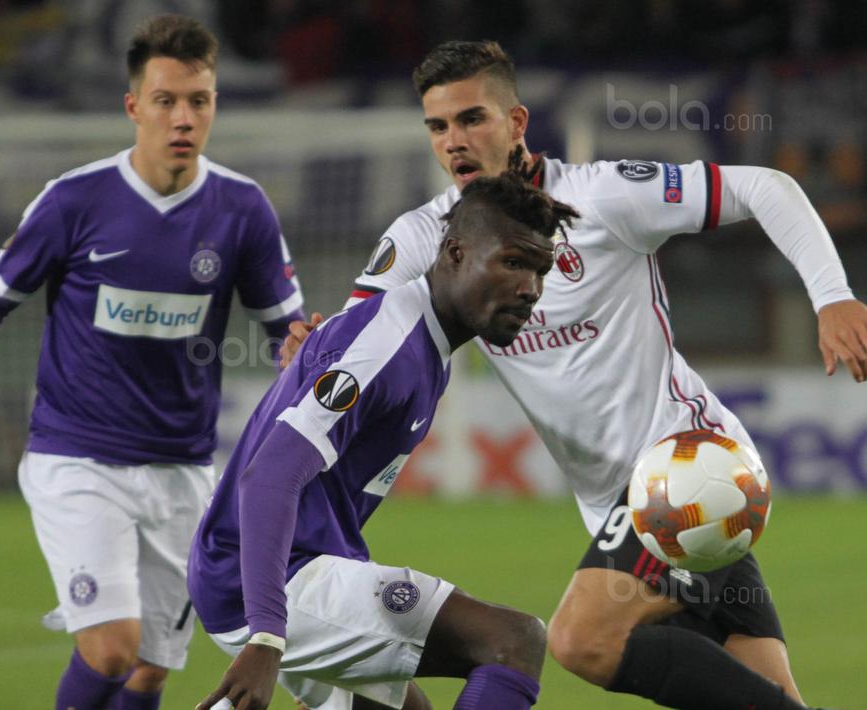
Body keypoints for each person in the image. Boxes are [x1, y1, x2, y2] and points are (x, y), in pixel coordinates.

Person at [282, 40, 867, 710]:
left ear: (517, 123)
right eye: (438, 126)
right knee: (768, 694)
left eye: (472, 119)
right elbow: (356, 334)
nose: (453, 141)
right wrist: (312, 349)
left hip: (685, 467)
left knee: (581, 640)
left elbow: (765, 186)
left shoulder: (600, 197)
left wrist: (832, 297)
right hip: (613, 501)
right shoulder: (427, 237)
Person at [0, 14, 305, 710]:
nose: (183, 117)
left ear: (215, 105)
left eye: (198, 100)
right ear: (134, 106)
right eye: (166, 100)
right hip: (78, 458)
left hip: (183, 468)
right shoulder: (75, 199)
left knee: (150, 671)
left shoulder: (242, 209)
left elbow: (289, 331)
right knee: (111, 649)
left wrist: (302, 350)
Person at [191, 173, 575, 710]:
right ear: (455, 253)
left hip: (283, 568)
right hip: (267, 581)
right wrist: (267, 636)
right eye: (513, 262)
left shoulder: (425, 344)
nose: (530, 288)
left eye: (540, 271)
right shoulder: (389, 342)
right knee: (513, 642)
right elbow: (269, 477)